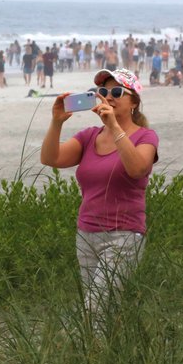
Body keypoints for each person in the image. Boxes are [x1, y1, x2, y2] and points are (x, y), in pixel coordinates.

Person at [40, 68, 159, 314]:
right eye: (102, 91)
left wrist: (115, 127)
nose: (108, 96)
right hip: (87, 234)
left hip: (124, 236)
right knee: (106, 308)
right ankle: (110, 349)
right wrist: (56, 122)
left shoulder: (146, 136)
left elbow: (137, 168)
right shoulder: (89, 137)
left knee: (95, 307)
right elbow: (50, 158)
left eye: (117, 92)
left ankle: (94, 351)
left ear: (134, 101)